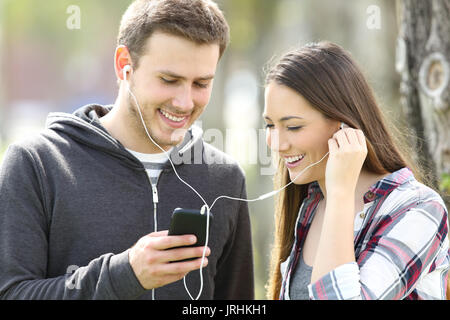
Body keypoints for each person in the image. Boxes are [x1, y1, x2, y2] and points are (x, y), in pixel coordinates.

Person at [0, 0, 254, 300]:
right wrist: (125, 275)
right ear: (124, 65)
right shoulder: (37, 165)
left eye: (201, 83)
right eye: (169, 80)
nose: (185, 103)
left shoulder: (224, 178)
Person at [263, 41, 449, 300]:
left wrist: (340, 194)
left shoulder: (418, 209)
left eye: (293, 127)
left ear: (343, 126)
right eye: (270, 126)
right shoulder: (311, 205)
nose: (277, 144)